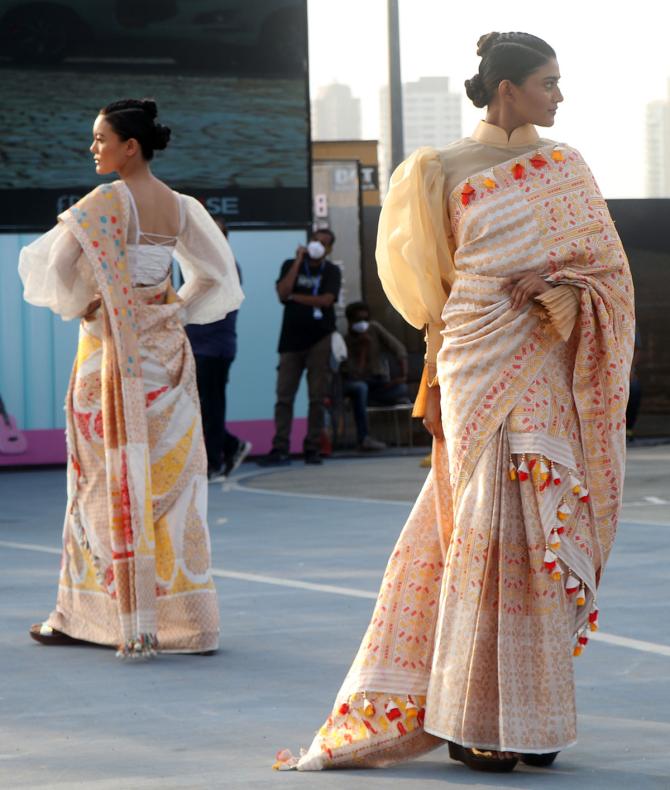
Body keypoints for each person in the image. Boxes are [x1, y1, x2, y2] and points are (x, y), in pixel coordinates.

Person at [276, 32, 635, 772]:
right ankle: (475, 720)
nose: (559, 96)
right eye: (548, 82)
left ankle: (533, 717)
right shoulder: (434, 172)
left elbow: (611, 277)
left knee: (539, 530)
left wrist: (565, 290)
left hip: (543, 366)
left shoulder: (566, 167)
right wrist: (433, 382)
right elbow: (431, 301)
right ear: (507, 88)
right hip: (474, 364)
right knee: (481, 533)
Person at [19, 98, 243, 657]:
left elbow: (52, 271)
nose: (93, 148)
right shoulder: (180, 206)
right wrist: (170, 309)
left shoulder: (103, 204)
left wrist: (90, 305)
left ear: (130, 147)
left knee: (100, 484)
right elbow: (216, 277)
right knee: (171, 488)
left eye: (100, 139)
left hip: (111, 360)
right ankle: (185, 621)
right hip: (165, 359)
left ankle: (92, 617)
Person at [259, 229, 341, 466]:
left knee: (317, 397)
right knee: (284, 396)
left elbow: (326, 300)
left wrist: (296, 297)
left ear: (329, 249)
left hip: (320, 339)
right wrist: (298, 261)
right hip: (290, 341)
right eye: (315, 240)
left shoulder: (331, 271)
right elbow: (282, 292)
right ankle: (280, 447)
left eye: (324, 243)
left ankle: (312, 446)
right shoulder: (289, 265)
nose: (318, 245)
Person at [186, 217, 252, 480]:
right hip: (196, 346)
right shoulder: (197, 264)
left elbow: (206, 303)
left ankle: (214, 462)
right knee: (199, 406)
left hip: (215, 348)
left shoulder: (226, 266)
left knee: (209, 406)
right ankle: (228, 446)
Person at [342, 301, 410, 451]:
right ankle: (364, 438)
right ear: (350, 321)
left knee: (402, 389)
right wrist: (363, 349)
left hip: (380, 384)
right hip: (361, 384)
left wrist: (402, 374)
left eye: (365, 320)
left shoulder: (374, 328)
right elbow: (356, 374)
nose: (363, 324)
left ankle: (373, 401)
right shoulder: (346, 341)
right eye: (358, 320)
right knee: (361, 389)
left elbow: (398, 348)